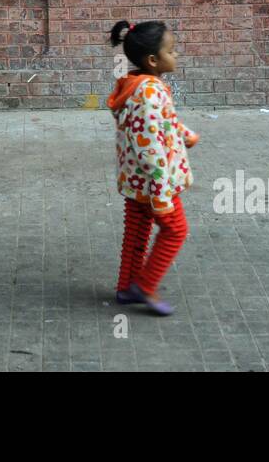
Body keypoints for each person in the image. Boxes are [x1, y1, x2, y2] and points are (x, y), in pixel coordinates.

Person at [106, 20, 199, 316]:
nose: (176, 55)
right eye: (171, 51)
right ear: (153, 60)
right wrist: (161, 193)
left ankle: (126, 288)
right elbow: (149, 147)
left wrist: (184, 134)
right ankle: (145, 287)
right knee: (175, 230)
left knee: (136, 232)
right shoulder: (148, 93)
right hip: (154, 182)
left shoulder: (140, 85)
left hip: (136, 180)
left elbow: (162, 122)